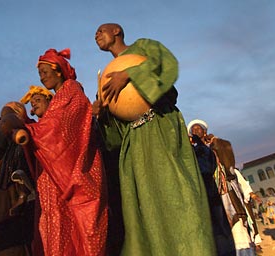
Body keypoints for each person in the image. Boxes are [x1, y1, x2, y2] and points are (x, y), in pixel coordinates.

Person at [93, 23, 216, 255]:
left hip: (161, 127)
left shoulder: (143, 47)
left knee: (177, 193)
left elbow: (167, 65)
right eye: (95, 33)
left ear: (117, 31)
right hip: (135, 143)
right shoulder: (105, 75)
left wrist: (130, 73)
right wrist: (102, 115)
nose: (96, 34)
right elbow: (114, 138)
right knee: (145, 206)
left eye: (101, 30)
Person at [22, 48, 108, 256]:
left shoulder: (72, 92)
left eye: (44, 72)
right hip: (54, 175)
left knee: (80, 230)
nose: (42, 78)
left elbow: (60, 130)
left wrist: (27, 128)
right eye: (39, 74)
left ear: (58, 71)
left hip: (75, 172)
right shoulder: (59, 99)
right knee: (55, 228)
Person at [0, 103, 35, 256]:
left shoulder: (17, 148)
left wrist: (21, 196)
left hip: (14, 202)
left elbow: (22, 170)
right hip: (0, 208)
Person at [188, 119, 236, 255]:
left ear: (205, 131)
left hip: (222, 187)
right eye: (193, 130)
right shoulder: (194, 149)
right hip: (206, 189)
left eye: (198, 129)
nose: (195, 131)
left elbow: (221, 160)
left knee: (224, 222)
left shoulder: (213, 145)